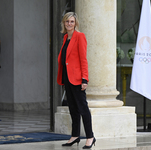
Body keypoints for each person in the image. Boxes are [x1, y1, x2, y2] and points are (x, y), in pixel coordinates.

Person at [57, 12, 96, 149]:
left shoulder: (80, 37)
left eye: (72, 22)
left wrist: (85, 78)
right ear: (64, 23)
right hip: (67, 78)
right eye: (67, 21)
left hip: (78, 79)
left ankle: (90, 137)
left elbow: (83, 59)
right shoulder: (65, 38)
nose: (69, 24)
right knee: (73, 108)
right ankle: (75, 135)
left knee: (83, 108)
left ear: (76, 23)